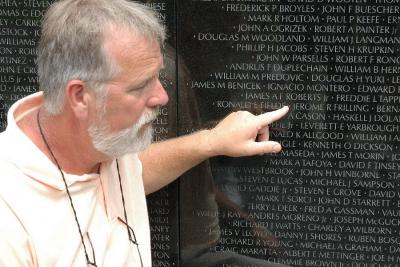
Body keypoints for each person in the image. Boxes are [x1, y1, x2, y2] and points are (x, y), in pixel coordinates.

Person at [0, 0, 289, 266]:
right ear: (79, 96)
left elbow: (140, 170)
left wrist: (213, 140)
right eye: (141, 85)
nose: (163, 96)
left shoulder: (102, 148)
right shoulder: (9, 215)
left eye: (158, 77)